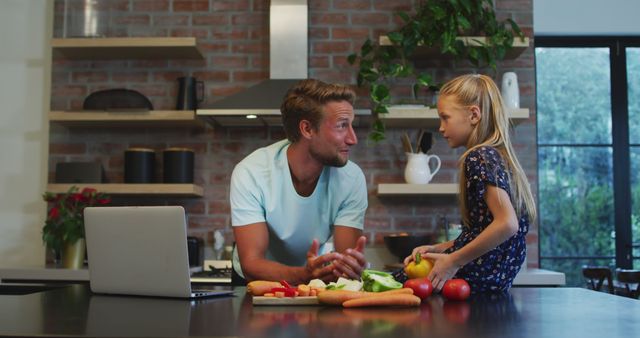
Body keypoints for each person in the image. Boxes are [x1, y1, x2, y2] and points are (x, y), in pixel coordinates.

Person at [403, 74, 537, 293]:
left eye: (445, 117)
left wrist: (453, 260)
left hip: (477, 277)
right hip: (494, 281)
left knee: (395, 283)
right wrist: (437, 248)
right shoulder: (498, 156)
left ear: (474, 115)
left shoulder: (479, 156)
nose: (440, 127)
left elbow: (507, 224)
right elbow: (480, 233)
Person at [230, 79, 368, 285]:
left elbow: (345, 261)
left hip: (313, 277)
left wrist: (349, 268)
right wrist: (304, 275)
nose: (352, 139)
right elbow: (252, 263)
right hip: (256, 280)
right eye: (342, 126)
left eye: (351, 125)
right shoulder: (251, 172)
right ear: (307, 129)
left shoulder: (352, 178)